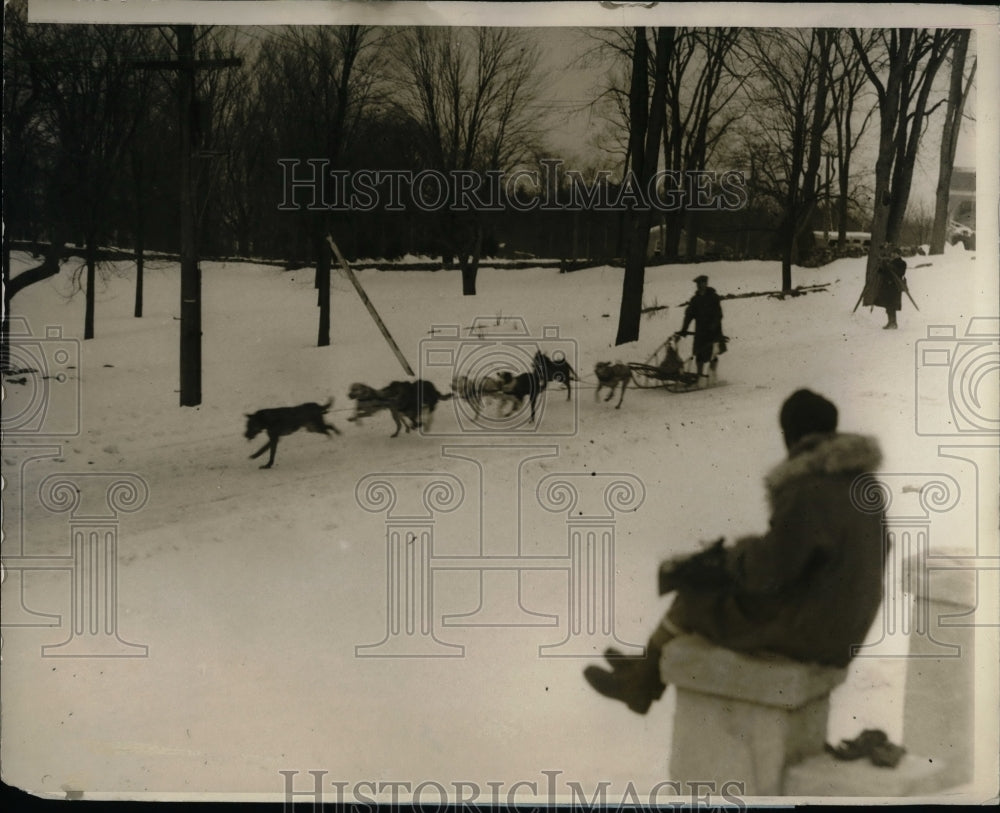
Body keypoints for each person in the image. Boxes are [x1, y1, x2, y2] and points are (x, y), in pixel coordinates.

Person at [583, 389, 886, 714]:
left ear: (791, 434)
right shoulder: (859, 483)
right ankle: (646, 667)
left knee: (695, 596)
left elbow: (769, 570)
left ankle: (640, 684)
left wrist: (730, 559)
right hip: (844, 622)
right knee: (709, 590)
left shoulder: (809, 489)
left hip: (812, 629)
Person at [676, 275, 725, 380]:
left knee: (712, 354)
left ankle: (712, 375)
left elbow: (718, 314)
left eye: (701, 283)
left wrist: (713, 327)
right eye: (698, 284)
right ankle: (699, 376)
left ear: (706, 283)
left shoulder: (713, 297)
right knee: (698, 353)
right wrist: (684, 329)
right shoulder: (695, 300)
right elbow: (689, 316)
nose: (699, 286)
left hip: (714, 331)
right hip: (700, 330)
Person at [873, 244, 908, 329]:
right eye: (893, 253)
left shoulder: (902, 263)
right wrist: (880, 268)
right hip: (887, 287)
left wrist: (889, 266)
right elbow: (884, 273)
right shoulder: (890, 262)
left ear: (899, 255)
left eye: (896, 253)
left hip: (895, 287)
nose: (893, 255)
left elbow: (900, 273)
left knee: (892, 305)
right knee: (888, 305)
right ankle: (890, 322)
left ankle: (893, 323)